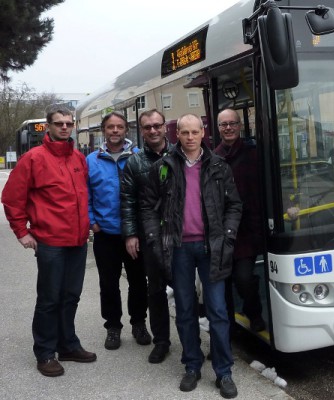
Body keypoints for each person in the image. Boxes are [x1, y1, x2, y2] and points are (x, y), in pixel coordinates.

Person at [140, 113, 242, 397]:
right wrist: (155, 239)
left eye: (194, 132)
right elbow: (148, 206)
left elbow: (234, 205)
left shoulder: (219, 166)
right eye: (184, 132)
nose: (190, 137)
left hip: (212, 248)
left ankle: (224, 372)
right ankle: (192, 366)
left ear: (203, 133)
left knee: (218, 312)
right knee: (185, 311)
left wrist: (229, 236)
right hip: (179, 248)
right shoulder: (164, 167)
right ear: (177, 135)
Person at [1, 108, 96, 377]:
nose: (65, 128)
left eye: (69, 123)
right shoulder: (33, 159)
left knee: (71, 296)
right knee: (49, 299)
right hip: (50, 242)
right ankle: (44, 352)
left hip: (77, 241)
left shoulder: (78, 157)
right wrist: (22, 232)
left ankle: (67, 345)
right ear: (49, 126)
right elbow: (12, 198)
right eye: (59, 124)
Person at [87, 112, 151, 351]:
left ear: (126, 130)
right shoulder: (92, 160)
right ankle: (113, 327)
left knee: (137, 281)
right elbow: (86, 195)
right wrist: (92, 222)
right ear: (104, 130)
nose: (115, 131)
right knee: (109, 283)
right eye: (110, 127)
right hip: (105, 233)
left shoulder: (138, 157)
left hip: (134, 232)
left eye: (120, 127)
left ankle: (139, 323)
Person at [120, 109, 173, 363]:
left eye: (157, 125)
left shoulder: (181, 154)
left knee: (185, 291)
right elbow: (128, 201)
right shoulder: (134, 162)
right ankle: (161, 342)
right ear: (141, 131)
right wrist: (130, 234)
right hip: (150, 235)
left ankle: (193, 341)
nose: (153, 130)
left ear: (165, 127)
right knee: (156, 291)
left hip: (181, 234)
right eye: (147, 127)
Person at [214, 108, 266, 333]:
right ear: (218, 129)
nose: (228, 128)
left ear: (239, 126)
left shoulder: (253, 154)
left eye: (232, 124)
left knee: (244, 279)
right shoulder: (213, 158)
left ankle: (253, 313)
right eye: (223, 124)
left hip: (247, 231)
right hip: (222, 232)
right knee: (223, 284)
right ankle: (228, 331)